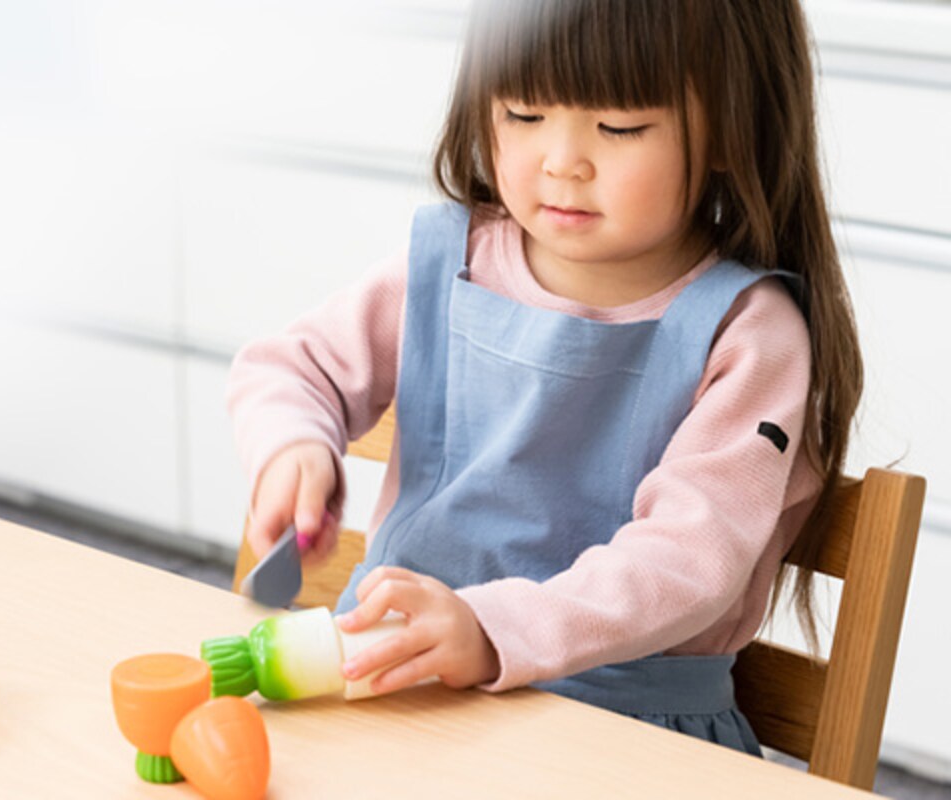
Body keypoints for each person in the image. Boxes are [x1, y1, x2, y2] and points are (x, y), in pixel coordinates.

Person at [226, 0, 862, 755]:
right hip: (398, 687)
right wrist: (294, 445)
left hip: (623, 729)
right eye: (523, 114)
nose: (562, 161)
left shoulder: (750, 335)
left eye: (619, 127)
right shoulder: (449, 263)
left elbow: (688, 561)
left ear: (733, 126)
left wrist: (492, 630)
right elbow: (292, 367)